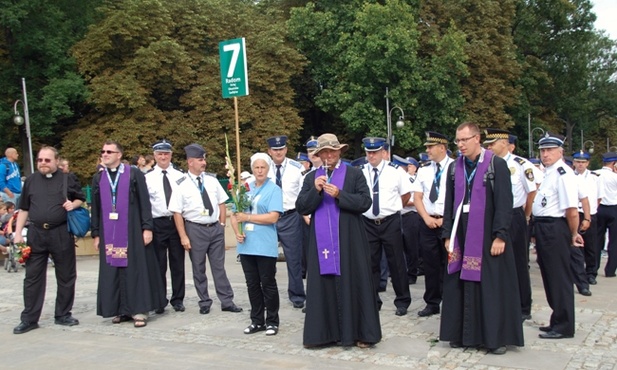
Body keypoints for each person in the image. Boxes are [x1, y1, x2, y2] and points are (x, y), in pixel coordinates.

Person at [440, 122, 523, 354]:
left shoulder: (495, 165)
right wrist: (448, 234)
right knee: (459, 282)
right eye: (458, 140)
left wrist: (501, 235)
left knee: (490, 285)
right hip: (461, 231)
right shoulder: (454, 168)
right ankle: (461, 333)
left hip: (486, 233)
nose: (460, 145)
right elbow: (448, 204)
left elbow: (505, 204)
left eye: (465, 140)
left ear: (477, 138)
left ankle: (493, 337)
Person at [296, 133, 381, 348]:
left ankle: (360, 332)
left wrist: (340, 195)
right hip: (321, 242)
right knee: (324, 284)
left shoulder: (353, 174)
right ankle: (324, 334)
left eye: (332, 151)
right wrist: (316, 190)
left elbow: (365, 202)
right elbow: (302, 207)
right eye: (324, 152)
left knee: (354, 282)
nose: (328, 155)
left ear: (339, 151)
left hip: (349, 241)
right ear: (319, 154)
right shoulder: (311, 178)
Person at [91, 140, 166, 328]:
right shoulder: (99, 178)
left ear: (119, 155)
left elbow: (144, 202)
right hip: (109, 232)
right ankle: (120, 308)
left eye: (109, 151)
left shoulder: (133, 174)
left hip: (131, 231)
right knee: (113, 269)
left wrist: (147, 227)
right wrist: (96, 233)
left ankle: (139, 309)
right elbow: (96, 208)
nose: (105, 154)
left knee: (135, 269)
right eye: (103, 151)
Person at [12, 146, 85, 334]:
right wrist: (18, 232)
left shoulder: (68, 178)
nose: (43, 163)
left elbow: (80, 199)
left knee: (66, 275)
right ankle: (29, 318)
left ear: (56, 161)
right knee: (32, 277)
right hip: (36, 233)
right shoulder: (30, 180)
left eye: (47, 160)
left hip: (60, 233)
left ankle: (62, 314)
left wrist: (72, 204)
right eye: (40, 160)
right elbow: (24, 208)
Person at [168, 144, 242, 315]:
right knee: (198, 267)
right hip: (195, 229)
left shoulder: (211, 180)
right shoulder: (180, 184)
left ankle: (227, 300)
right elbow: (177, 213)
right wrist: (183, 236)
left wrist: (222, 225)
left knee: (219, 267)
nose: (204, 163)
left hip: (215, 228)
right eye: (200, 160)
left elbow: (221, 203)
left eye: (204, 159)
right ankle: (204, 301)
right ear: (190, 162)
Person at [532, 132, 583, 339]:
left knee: (559, 277)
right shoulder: (549, 173)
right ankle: (557, 319)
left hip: (556, 228)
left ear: (560, 152)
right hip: (544, 228)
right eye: (543, 150)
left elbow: (571, 210)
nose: (545, 154)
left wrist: (573, 233)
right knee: (549, 275)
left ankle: (564, 325)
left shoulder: (563, 174)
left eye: (550, 150)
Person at [484, 128, 537, 320]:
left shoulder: (521, 165)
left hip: (514, 216)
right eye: (487, 144)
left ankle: (523, 307)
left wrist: (526, 215)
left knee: (519, 262)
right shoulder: (487, 164)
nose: (488, 147)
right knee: (497, 262)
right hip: (493, 216)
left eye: (492, 143)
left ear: (505, 143)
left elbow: (531, 192)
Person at [231, 152, 282, 336]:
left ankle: (272, 320)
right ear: (252, 169)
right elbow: (234, 214)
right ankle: (257, 320)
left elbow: (273, 216)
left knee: (267, 283)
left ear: (268, 169)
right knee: (252, 284)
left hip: (265, 243)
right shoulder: (245, 188)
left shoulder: (274, 189)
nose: (259, 171)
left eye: (263, 167)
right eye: (256, 167)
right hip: (247, 244)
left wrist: (249, 217)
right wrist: (237, 231)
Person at [361, 137, 412, 316]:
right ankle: (373, 300)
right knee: (371, 262)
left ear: (383, 152)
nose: (371, 155)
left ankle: (403, 300)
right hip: (368, 222)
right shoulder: (361, 171)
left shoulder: (395, 171)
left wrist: (393, 207)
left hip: (389, 221)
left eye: (375, 152)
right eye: (368, 152)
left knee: (396, 261)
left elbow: (406, 194)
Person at [412, 131, 453, 317]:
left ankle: (451, 300)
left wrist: (447, 219)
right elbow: (418, 197)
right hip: (428, 220)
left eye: (430, 147)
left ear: (442, 147)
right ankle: (432, 302)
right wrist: (426, 218)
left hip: (448, 221)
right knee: (430, 264)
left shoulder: (455, 167)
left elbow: (460, 197)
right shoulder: (424, 169)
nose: (427, 150)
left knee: (450, 262)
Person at [145, 139, 186, 313]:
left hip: (176, 222)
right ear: (155, 156)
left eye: (166, 154)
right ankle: (159, 300)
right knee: (158, 265)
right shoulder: (147, 177)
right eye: (160, 154)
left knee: (178, 263)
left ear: (171, 155)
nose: (163, 157)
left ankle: (178, 299)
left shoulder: (180, 176)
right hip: (157, 223)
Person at [267, 135, 306, 309]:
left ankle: (297, 295)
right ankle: (268, 295)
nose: (278, 152)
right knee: (266, 259)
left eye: (281, 149)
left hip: (290, 216)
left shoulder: (296, 168)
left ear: (286, 150)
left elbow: (303, 193)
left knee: (294, 259)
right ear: (269, 151)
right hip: (268, 218)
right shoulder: (262, 167)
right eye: (275, 150)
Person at [392, 155, 420, 285]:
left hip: (410, 215)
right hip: (399, 215)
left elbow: (414, 200)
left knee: (411, 246)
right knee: (398, 247)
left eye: (410, 165)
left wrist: (398, 202)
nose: (408, 168)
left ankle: (412, 273)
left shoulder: (415, 180)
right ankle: (400, 273)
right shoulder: (398, 178)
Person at [596, 151, 617, 277]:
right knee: (614, 241)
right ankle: (610, 270)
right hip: (614, 208)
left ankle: (593, 267)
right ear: (614, 163)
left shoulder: (595, 174)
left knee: (597, 239)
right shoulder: (615, 177)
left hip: (599, 208)